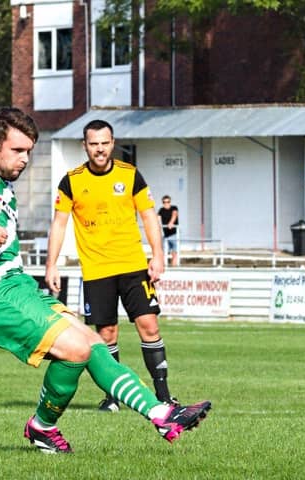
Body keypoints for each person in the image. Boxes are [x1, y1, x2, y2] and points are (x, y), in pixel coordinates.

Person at [0, 107, 210, 454]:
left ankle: (161, 412)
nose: (25, 160)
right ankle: (43, 426)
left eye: (29, 152)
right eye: (18, 151)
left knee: (91, 344)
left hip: (16, 285)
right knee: (76, 348)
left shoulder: (2, 184)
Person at [45, 119, 177, 413]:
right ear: (85, 146)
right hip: (96, 270)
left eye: (104, 143)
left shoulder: (130, 175)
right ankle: (114, 397)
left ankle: (164, 395)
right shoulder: (71, 181)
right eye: (94, 144)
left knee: (149, 326)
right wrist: (51, 265)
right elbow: (59, 223)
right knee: (106, 335)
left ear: (112, 143)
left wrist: (157, 255)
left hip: (132, 265)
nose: (100, 149)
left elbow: (148, 215)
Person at [157, 195, 179, 267]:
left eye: (168, 202)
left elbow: (174, 215)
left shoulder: (174, 208)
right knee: (163, 252)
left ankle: (174, 268)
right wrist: (157, 227)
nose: (166, 203)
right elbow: (158, 218)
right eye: (164, 202)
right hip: (166, 235)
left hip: (174, 234)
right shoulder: (161, 210)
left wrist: (171, 222)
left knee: (174, 252)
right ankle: (163, 268)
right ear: (162, 203)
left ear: (170, 202)